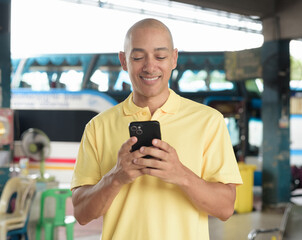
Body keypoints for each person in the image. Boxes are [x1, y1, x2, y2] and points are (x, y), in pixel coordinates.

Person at [70, 18, 243, 240]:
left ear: (174, 58)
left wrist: (181, 175)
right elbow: (82, 214)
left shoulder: (209, 121)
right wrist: (116, 177)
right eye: (138, 57)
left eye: (160, 56)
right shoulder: (98, 126)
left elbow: (226, 208)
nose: (150, 67)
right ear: (124, 60)